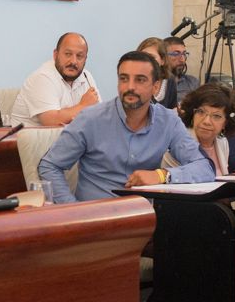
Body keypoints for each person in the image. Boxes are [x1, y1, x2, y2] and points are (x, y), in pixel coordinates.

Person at [38, 51, 215, 204]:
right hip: (95, 219)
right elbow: (50, 166)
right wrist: (72, 209)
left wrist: (161, 176)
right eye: (124, 79)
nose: (130, 87)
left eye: (140, 80)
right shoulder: (90, 119)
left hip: (145, 219)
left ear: (155, 87)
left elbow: (203, 168)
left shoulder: (168, 121)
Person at [8, 32, 100, 126]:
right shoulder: (42, 77)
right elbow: (51, 121)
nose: (73, 61)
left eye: (79, 56)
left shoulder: (86, 76)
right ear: (55, 55)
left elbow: (99, 116)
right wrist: (83, 106)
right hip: (31, 139)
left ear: (85, 59)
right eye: (68, 54)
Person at [165, 82, 235, 176]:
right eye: (201, 112)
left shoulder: (222, 143)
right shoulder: (179, 142)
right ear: (192, 114)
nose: (206, 121)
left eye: (216, 116)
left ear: (225, 123)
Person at [137, 36, 178, 109]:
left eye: (152, 57)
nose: (146, 60)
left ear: (163, 60)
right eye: (143, 56)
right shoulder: (135, 80)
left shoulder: (170, 80)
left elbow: (173, 110)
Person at [163, 36, 200, 102]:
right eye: (176, 54)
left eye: (184, 54)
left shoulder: (193, 83)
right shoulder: (157, 84)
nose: (182, 59)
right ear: (163, 57)